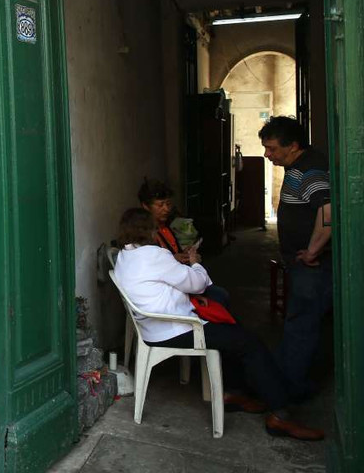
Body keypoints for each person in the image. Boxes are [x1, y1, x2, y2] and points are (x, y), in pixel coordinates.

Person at [113, 208, 324, 440]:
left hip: (153, 326)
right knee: (249, 342)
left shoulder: (125, 255)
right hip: (176, 329)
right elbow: (197, 284)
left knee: (232, 332)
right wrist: (194, 263)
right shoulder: (154, 255)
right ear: (148, 230)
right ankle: (281, 415)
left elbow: (156, 285)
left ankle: (234, 392)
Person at [259, 116, 332, 401]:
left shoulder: (310, 170)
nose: (267, 154)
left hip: (311, 266)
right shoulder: (298, 165)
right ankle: (291, 380)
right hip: (303, 263)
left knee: (302, 326)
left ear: (293, 146)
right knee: (301, 322)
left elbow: (327, 213)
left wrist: (312, 250)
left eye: (273, 149)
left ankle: (290, 389)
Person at [138, 178, 229, 306]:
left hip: (180, 282)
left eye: (168, 204)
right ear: (145, 206)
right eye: (160, 205)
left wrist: (184, 254)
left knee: (220, 294)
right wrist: (174, 258)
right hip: (167, 291)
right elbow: (150, 268)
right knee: (219, 296)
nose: (166, 209)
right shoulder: (144, 234)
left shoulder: (165, 228)